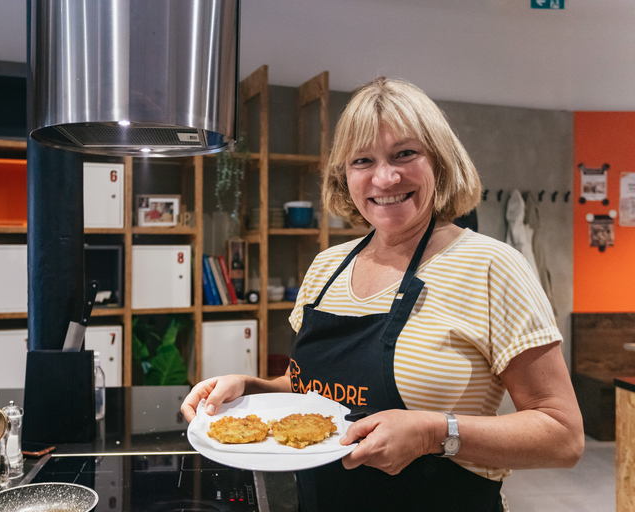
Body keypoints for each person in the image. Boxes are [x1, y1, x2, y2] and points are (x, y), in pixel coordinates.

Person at [181, 77, 584, 511]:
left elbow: (563, 436)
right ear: (344, 176)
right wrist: (249, 388)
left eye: (405, 154)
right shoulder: (327, 267)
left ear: (440, 162)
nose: (385, 177)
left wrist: (433, 433)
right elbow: (320, 394)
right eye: (362, 160)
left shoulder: (491, 266)